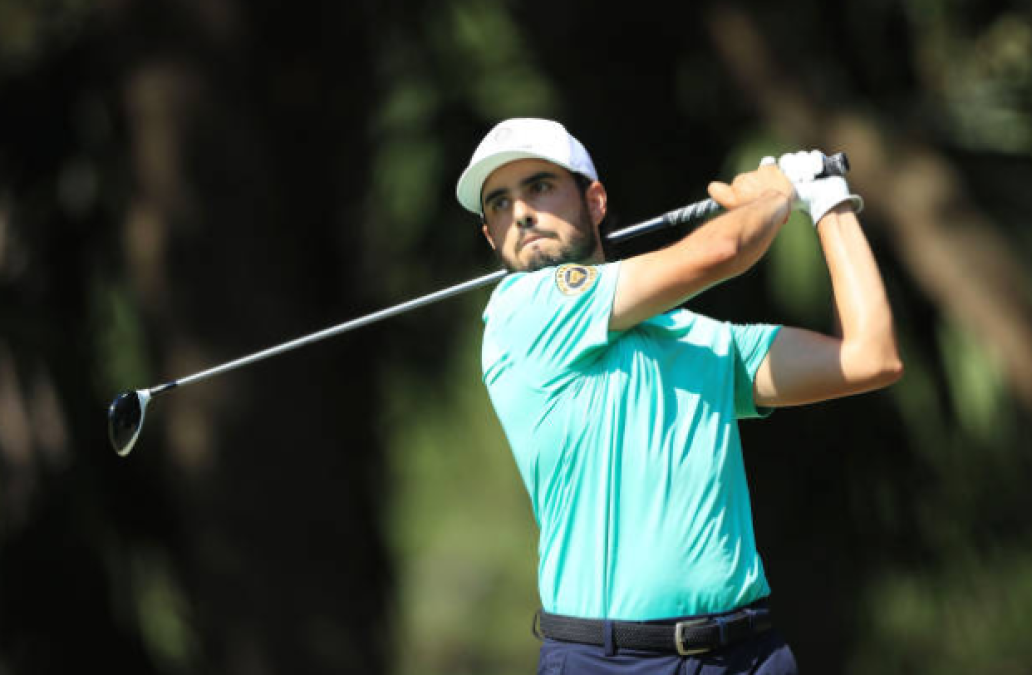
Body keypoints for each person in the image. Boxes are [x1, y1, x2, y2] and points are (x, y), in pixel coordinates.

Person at [455, 118, 902, 674]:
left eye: (539, 187)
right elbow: (724, 250)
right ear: (491, 237)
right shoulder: (521, 311)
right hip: (609, 661)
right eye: (499, 204)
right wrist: (777, 195)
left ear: (594, 201)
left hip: (748, 656)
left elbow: (871, 356)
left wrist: (830, 202)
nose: (520, 213)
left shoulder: (704, 342)